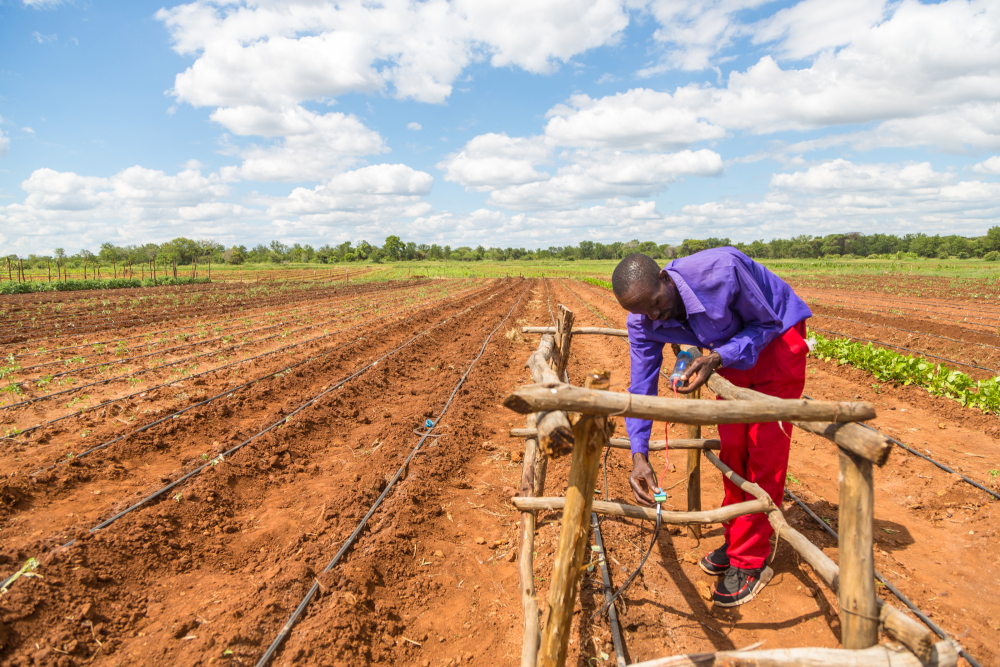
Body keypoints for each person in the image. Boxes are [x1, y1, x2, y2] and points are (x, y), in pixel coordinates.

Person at [611, 248, 812, 607]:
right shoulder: (643, 320)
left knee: (763, 450)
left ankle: (751, 560)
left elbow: (766, 324)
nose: (654, 316)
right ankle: (738, 540)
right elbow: (640, 388)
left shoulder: (722, 270)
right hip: (729, 347)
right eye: (642, 312)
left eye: (656, 303)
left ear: (664, 278)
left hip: (777, 339)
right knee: (734, 448)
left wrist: (717, 357)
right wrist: (639, 454)